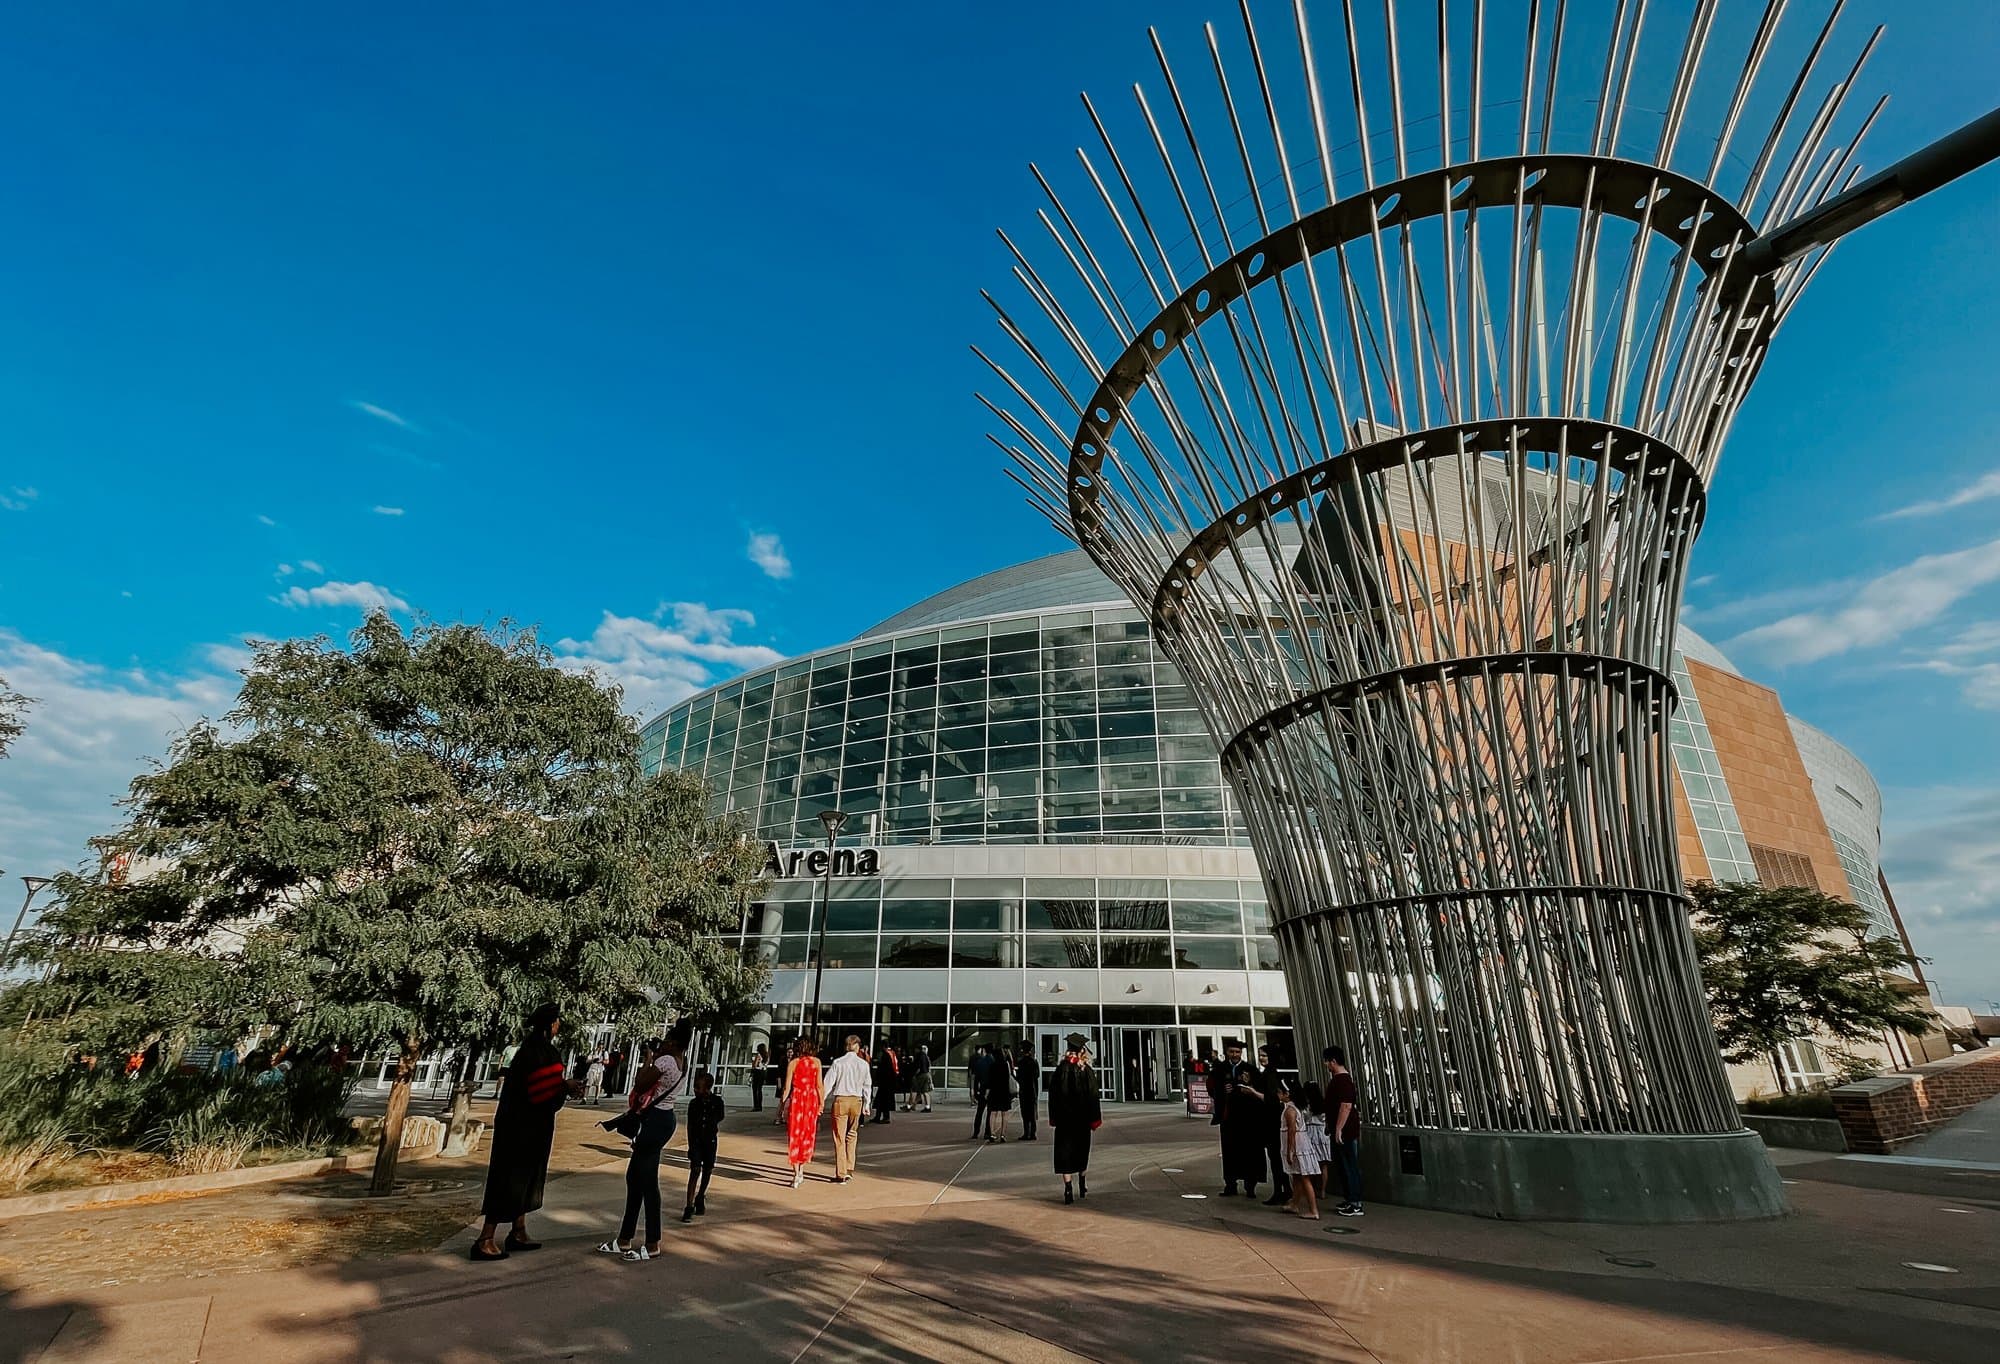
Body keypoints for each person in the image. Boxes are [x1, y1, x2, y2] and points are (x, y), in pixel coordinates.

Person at [474, 1003, 580, 1261]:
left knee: (522, 1177)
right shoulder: (545, 1054)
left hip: (515, 1122)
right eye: (556, 1022)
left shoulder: (526, 1051)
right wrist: (566, 1086)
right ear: (550, 1025)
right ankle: (485, 1238)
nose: (558, 1026)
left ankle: (518, 1230)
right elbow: (544, 1094)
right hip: (529, 1126)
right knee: (512, 1179)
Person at [598, 1031, 687, 1262]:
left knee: (647, 1182)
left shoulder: (665, 1061)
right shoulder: (681, 1062)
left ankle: (652, 1242)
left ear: (675, 1042)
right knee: (635, 1179)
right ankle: (624, 1238)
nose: (664, 1043)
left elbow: (640, 1082)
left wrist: (649, 1058)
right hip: (664, 1119)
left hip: (654, 1120)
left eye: (667, 1039)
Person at [1207, 1038, 1266, 1198]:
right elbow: (1210, 1088)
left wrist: (1249, 1089)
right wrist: (1221, 1090)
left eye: (1238, 1052)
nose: (1234, 1054)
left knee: (1249, 1151)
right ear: (1226, 1052)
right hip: (1228, 1117)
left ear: (1242, 1053)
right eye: (1232, 1051)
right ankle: (1230, 1185)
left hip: (1247, 1118)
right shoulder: (1219, 1069)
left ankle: (1250, 1186)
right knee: (1229, 1150)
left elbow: (1259, 1090)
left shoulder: (1250, 1069)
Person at [1047, 1034, 1101, 1204]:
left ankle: (1068, 1188)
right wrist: (1094, 1119)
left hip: (1064, 1121)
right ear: (1082, 1050)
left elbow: (1053, 1096)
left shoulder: (1060, 1069)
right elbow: (1093, 1096)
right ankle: (1082, 1184)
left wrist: (1054, 1117)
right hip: (1082, 1120)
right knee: (1081, 1151)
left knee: (1065, 1154)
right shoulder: (1086, 1070)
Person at [824, 1034, 872, 1182]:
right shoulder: (863, 1064)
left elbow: (828, 1084)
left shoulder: (838, 1063)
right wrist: (867, 1103)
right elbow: (867, 1085)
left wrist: (821, 1100)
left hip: (841, 1099)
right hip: (856, 1100)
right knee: (852, 1135)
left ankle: (841, 1172)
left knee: (839, 1137)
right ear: (858, 1047)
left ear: (846, 1046)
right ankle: (850, 1168)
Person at [1323, 1045, 1364, 1217]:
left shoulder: (1343, 1081)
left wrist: (1338, 1129)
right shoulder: (1339, 1080)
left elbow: (1346, 1106)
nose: (1326, 1065)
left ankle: (1355, 1202)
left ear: (1333, 1061)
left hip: (1345, 1132)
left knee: (1349, 1166)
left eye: (1327, 1062)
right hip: (1339, 1130)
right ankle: (1350, 1199)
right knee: (1344, 1166)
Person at [681, 1069, 725, 1223]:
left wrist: (710, 1121)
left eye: (698, 1087)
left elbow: (719, 1116)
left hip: (710, 1140)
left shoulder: (717, 1102)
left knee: (707, 1169)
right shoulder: (694, 1104)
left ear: (707, 1088)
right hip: (697, 1141)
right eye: (694, 1087)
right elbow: (690, 1126)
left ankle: (700, 1195)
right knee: (695, 1170)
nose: (695, 1090)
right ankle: (689, 1205)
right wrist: (691, 1145)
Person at [781, 1035, 823, 1187]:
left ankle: (797, 1172)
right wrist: (821, 1103)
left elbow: (787, 1087)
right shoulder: (816, 1062)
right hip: (811, 1100)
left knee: (795, 1134)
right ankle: (801, 1168)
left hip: (797, 1100)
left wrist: (781, 1106)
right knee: (807, 1134)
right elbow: (819, 1086)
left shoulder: (793, 1063)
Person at [1280, 1077, 1320, 1220]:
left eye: (1280, 1092)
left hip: (1297, 1147)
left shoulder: (1290, 1110)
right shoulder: (1297, 1107)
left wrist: (1290, 1151)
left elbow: (1292, 1132)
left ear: (1287, 1094)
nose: (1278, 1094)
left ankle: (1313, 1210)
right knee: (1297, 1176)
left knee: (1304, 1178)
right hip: (1301, 1145)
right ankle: (1294, 1204)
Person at [1256, 1043, 1291, 1207]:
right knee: (1277, 1158)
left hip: (1272, 1122)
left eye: (1264, 1055)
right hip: (1271, 1121)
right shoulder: (1270, 1073)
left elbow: (1270, 1099)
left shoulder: (1271, 1075)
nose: (1261, 1058)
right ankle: (1285, 1189)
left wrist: (1252, 1091)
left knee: (1276, 1158)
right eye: (1260, 1055)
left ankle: (1280, 1191)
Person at [984, 1044, 1014, 1142]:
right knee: (1004, 1114)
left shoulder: (992, 1065)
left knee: (993, 1113)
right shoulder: (1006, 1065)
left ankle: (992, 1133)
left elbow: (989, 1080)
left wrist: (987, 1092)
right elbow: (1009, 1077)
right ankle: (1003, 1135)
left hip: (994, 1091)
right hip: (1004, 1091)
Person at [1015, 1043, 1040, 1141]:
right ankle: (1033, 1133)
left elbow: (1018, 1077)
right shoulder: (1034, 1062)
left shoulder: (1021, 1062)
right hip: (1033, 1089)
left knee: (1025, 1113)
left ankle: (1026, 1133)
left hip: (1024, 1090)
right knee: (1032, 1112)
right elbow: (1037, 1075)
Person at [967, 1044, 992, 1140]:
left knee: (979, 1112)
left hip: (982, 1088)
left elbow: (976, 1078)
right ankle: (987, 1132)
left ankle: (976, 1132)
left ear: (984, 1050)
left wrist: (975, 1091)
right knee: (990, 1112)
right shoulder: (993, 1062)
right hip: (991, 1090)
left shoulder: (980, 1062)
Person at [870, 1044, 898, 1124]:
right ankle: (878, 1116)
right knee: (882, 1100)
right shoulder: (892, 1053)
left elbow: (884, 1068)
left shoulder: (886, 1055)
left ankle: (885, 1117)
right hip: (889, 1081)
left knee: (883, 1100)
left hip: (885, 1082)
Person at [908, 1044, 933, 1112]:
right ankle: (928, 1107)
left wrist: (915, 1075)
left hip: (921, 1074)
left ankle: (909, 1106)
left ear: (917, 1049)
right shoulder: (926, 1057)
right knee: (925, 1092)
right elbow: (928, 1066)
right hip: (926, 1074)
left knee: (914, 1090)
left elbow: (918, 1067)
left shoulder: (919, 1056)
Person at [749, 1043, 770, 1113]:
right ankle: (760, 1106)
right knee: (760, 1089)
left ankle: (756, 1106)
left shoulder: (758, 1055)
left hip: (757, 1072)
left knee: (755, 1089)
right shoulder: (767, 1056)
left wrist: (753, 1062)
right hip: (763, 1072)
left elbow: (754, 1065)